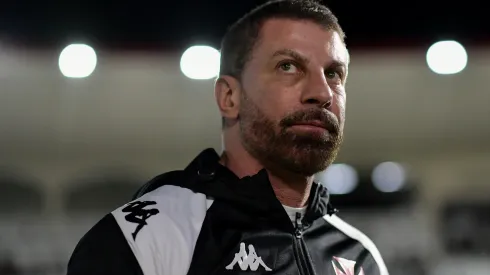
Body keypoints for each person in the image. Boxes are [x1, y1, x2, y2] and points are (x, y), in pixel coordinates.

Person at [67, 0, 389, 274]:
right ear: (229, 98)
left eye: (333, 73)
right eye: (288, 66)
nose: (321, 93)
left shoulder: (363, 258)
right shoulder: (143, 239)